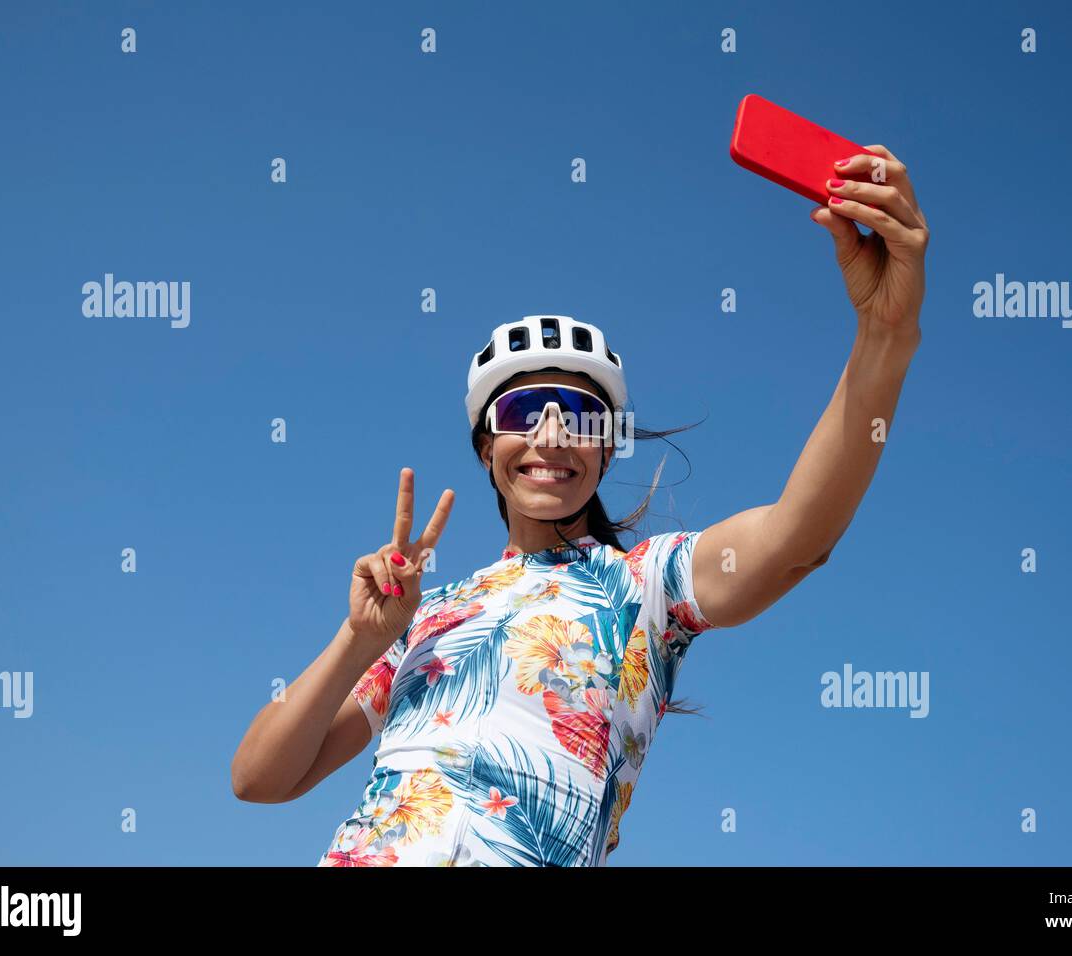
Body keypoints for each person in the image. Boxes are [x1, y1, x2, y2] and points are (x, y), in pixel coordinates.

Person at [230, 145, 929, 866]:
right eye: (528, 408)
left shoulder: (647, 588)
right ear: (485, 448)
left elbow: (796, 539)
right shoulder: (423, 623)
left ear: (605, 450)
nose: (554, 433)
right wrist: (362, 640)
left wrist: (884, 336)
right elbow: (258, 778)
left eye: (583, 416)